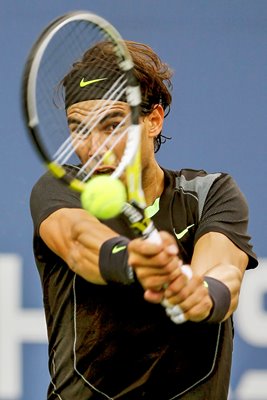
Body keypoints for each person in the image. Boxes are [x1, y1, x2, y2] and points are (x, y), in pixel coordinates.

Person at [30, 40, 258, 400]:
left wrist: (199, 294)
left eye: (112, 125)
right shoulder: (61, 188)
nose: (94, 147)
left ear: (153, 120)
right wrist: (132, 259)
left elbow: (224, 275)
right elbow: (79, 243)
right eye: (79, 128)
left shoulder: (209, 194)